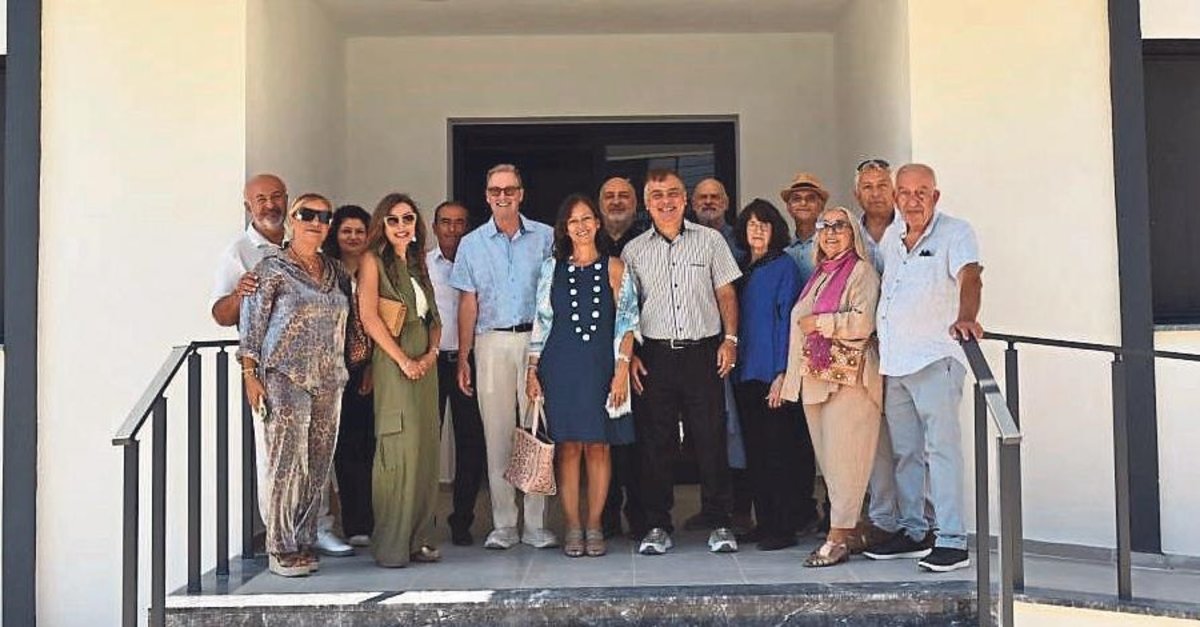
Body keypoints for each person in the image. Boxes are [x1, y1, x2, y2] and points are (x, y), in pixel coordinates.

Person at [211, 174, 352, 558]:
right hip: (283, 379)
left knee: (318, 465)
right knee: (284, 465)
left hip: (328, 381)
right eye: (307, 215)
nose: (315, 222)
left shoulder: (336, 271)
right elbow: (247, 325)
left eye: (324, 216)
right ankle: (281, 547)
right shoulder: (266, 267)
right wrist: (250, 374)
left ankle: (305, 540)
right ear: (293, 219)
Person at [864, 163, 983, 573]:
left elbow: (971, 277)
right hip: (895, 363)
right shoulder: (892, 238)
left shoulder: (956, 232)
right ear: (895, 197)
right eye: (905, 192)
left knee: (941, 451)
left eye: (921, 192)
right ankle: (915, 531)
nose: (912, 200)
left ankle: (952, 539)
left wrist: (967, 317)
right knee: (906, 453)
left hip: (935, 359)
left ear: (935, 196)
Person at [622, 168, 742, 555]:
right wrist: (630, 355)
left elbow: (726, 294)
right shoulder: (633, 251)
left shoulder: (710, 241)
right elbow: (628, 310)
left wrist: (730, 340)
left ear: (684, 198)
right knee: (655, 443)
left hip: (702, 353)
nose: (666, 201)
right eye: (657, 195)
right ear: (647, 203)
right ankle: (657, 525)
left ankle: (720, 522)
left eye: (672, 193)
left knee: (710, 438)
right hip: (654, 356)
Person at [451, 164, 558, 550]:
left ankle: (536, 525)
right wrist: (463, 357)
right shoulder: (471, 244)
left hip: (536, 342)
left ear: (521, 194)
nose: (502, 196)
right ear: (486, 196)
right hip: (491, 341)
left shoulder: (546, 237)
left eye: (509, 189)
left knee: (535, 432)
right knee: (496, 435)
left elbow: (555, 294)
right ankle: (504, 525)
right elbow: (468, 303)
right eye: (495, 190)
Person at [526, 194, 639, 558]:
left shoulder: (615, 267)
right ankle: (573, 526)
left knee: (599, 446)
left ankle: (595, 525)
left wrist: (621, 370)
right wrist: (532, 369)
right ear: (564, 228)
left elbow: (628, 322)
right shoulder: (551, 269)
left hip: (601, 366)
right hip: (560, 366)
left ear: (597, 223)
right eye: (573, 220)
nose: (581, 226)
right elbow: (542, 321)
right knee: (568, 447)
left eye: (587, 218)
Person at [780, 205, 883, 567]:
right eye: (824, 226)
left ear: (853, 232)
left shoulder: (861, 271)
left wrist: (823, 323)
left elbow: (863, 322)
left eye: (840, 225)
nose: (831, 232)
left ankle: (837, 538)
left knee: (845, 460)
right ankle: (851, 530)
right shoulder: (820, 274)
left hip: (849, 382)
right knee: (829, 463)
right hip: (816, 380)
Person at [357, 193, 443, 568]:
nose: (401, 225)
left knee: (425, 448)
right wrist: (404, 360)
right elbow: (369, 317)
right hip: (395, 363)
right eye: (393, 219)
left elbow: (433, 319)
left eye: (407, 218)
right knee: (398, 446)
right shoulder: (372, 260)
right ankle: (392, 544)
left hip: (425, 365)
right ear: (382, 224)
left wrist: (430, 355)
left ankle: (418, 538)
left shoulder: (418, 263)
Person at [729, 199, 807, 551]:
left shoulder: (783, 266)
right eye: (751, 224)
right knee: (756, 455)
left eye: (764, 224)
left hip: (771, 374)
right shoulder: (742, 267)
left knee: (778, 454)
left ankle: (783, 527)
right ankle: (764, 523)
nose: (757, 230)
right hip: (745, 373)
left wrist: (781, 373)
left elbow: (788, 321)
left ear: (775, 230)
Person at [687, 177, 752, 535]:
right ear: (692, 203)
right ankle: (712, 508)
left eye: (715, 197)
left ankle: (740, 510)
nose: (709, 202)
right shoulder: (685, 240)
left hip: (738, 349)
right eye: (702, 197)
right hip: (700, 352)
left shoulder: (741, 242)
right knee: (709, 431)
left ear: (727, 202)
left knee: (737, 430)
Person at [851, 158, 906, 553]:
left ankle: (921, 521)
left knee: (913, 439)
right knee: (876, 441)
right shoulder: (848, 233)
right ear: (857, 194)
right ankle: (884, 519)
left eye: (882, 185)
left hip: (906, 349)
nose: (875, 193)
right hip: (865, 352)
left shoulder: (912, 229)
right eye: (867, 187)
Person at [426, 200, 487, 546]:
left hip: (469, 361)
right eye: (445, 222)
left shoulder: (479, 262)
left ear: (468, 227)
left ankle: (462, 520)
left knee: (471, 442)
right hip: (431, 362)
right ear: (434, 227)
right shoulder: (421, 265)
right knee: (426, 442)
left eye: (459, 222)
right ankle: (422, 519)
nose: (452, 228)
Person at [595, 176, 648, 541]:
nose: (616, 202)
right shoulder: (587, 241)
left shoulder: (647, 240)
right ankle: (607, 515)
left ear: (635, 203)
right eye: (609, 196)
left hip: (641, 358)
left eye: (623, 196)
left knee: (640, 442)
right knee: (603, 440)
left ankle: (642, 517)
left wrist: (633, 355)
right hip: (597, 358)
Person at [324, 205, 376, 548]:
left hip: (370, 367)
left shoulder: (377, 268)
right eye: (347, 231)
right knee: (345, 448)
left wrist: (372, 365)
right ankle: (355, 523)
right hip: (333, 369)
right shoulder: (326, 270)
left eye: (359, 231)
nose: (353, 237)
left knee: (371, 446)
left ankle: (376, 520)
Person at [780, 171, 829, 283]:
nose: (803, 203)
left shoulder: (830, 245)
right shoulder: (782, 249)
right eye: (796, 199)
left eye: (810, 198)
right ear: (789, 207)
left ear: (821, 206)